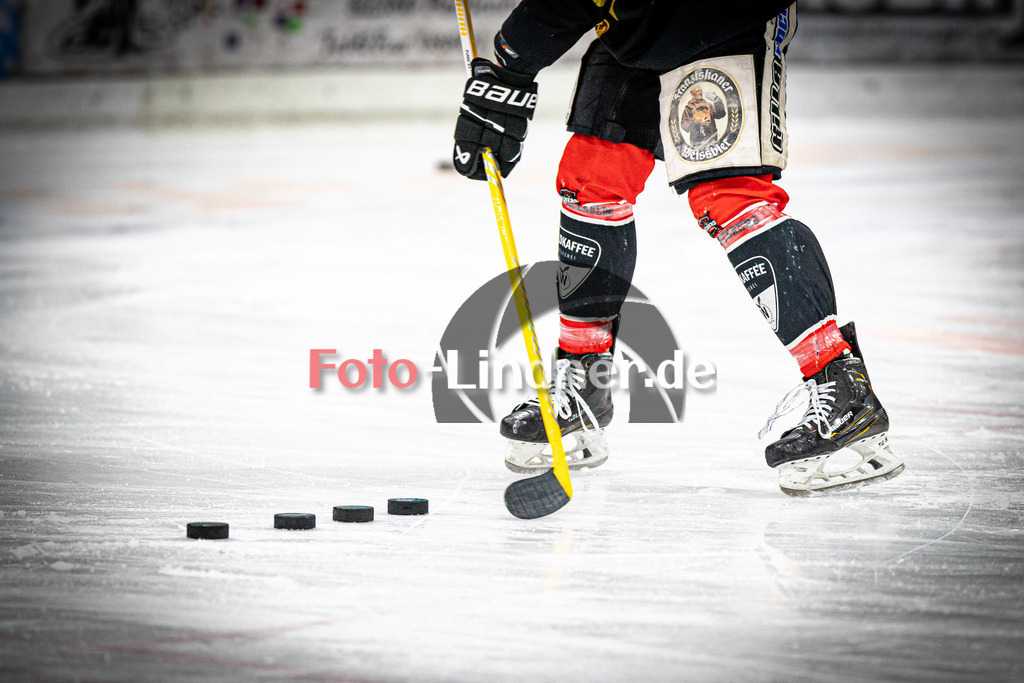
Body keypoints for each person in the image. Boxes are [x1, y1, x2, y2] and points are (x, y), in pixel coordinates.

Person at [452, 1, 904, 494]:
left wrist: (511, 63)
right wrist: (509, 67)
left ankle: (841, 388)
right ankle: (584, 377)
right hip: (635, 23)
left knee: (731, 197)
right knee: (591, 178)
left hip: (718, 15)